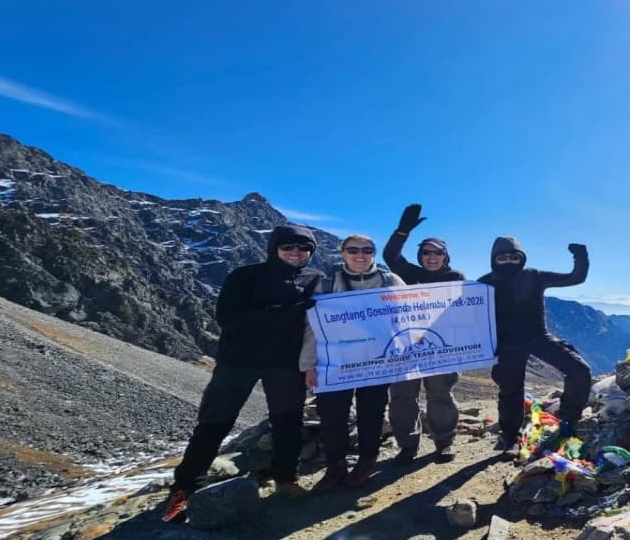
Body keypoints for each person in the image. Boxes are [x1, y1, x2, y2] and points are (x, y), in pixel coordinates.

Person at [163, 225, 322, 522]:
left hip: (286, 364)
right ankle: (184, 489)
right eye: (289, 247)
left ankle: (286, 478)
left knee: (288, 422)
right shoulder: (244, 276)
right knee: (214, 423)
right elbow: (227, 317)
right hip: (238, 362)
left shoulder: (315, 279)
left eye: (304, 249)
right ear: (274, 247)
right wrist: (286, 311)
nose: (296, 253)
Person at [301, 234, 406, 491]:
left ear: (374, 253)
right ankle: (335, 466)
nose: (360, 254)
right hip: (335, 363)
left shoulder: (390, 281)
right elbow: (312, 327)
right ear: (342, 252)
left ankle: (367, 462)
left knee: (371, 413)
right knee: (332, 415)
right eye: (353, 249)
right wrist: (308, 364)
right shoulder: (326, 283)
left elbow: (409, 316)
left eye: (367, 250)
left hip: (377, 363)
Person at [479, 237, 590, 457]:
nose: (508, 261)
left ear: (521, 258)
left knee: (580, 371)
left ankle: (568, 419)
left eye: (514, 257)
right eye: (502, 257)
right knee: (510, 392)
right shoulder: (484, 283)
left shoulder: (535, 276)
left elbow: (575, 278)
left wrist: (580, 256)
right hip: (506, 344)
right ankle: (509, 438)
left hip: (539, 337)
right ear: (494, 260)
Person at [382, 204, 467, 463]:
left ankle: (444, 443)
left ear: (445, 257)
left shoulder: (455, 276)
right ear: (420, 256)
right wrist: (402, 231)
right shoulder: (410, 274)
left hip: (441, 347)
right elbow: (391, 256)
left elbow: (468, 311)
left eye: (437, 253)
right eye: (426, 252)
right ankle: (407, 445)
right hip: (407, 346)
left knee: (440, 395)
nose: (431, 257)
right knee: (402, 396)